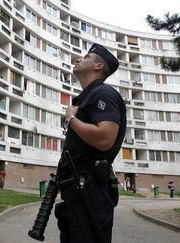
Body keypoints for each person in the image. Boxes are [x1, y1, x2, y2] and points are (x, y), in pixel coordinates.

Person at [54, 43, 126, 243]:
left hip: (90, 188)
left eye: (85, 57)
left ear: (98, 67)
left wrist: (71, 119)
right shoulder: (85, 98)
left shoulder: (103, 93)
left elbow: (104, 138)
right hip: (78, 187)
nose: (78, 59)